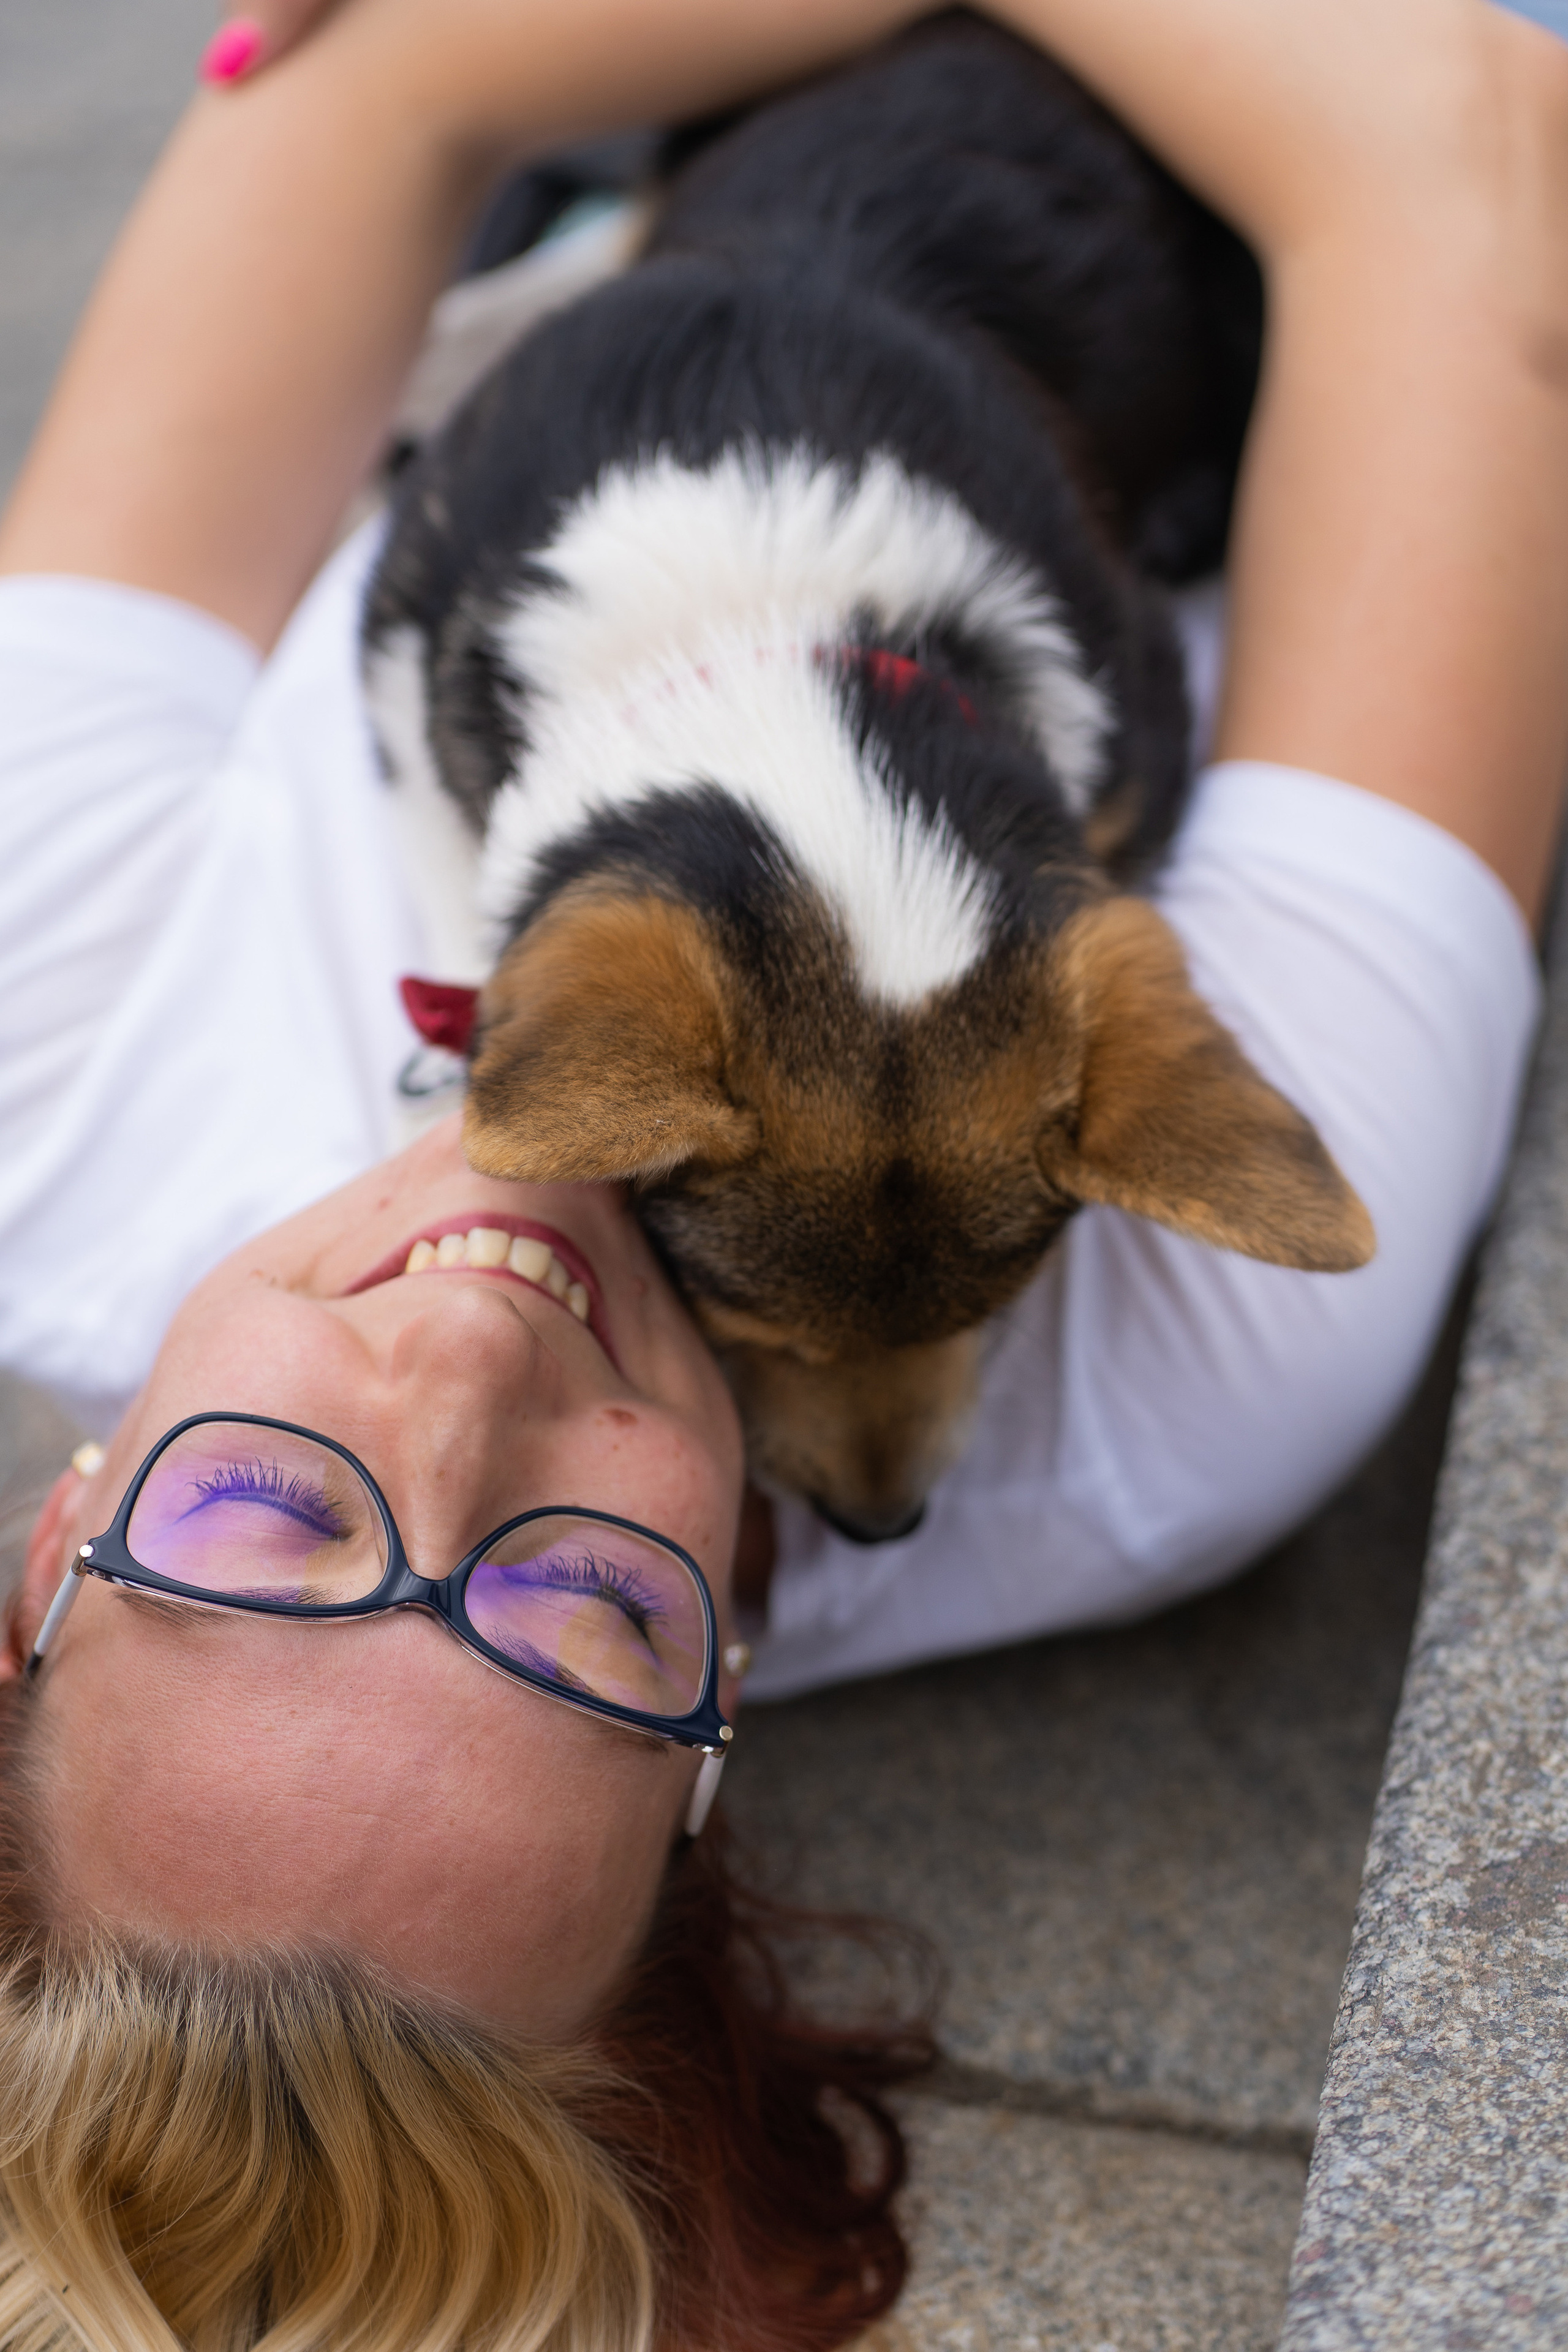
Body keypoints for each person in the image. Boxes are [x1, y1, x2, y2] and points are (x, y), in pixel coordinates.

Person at [0, 0, 1564, 2344]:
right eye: (572, 1620)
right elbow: (1463, 169)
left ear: (63, 1535)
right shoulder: (1185, 1380)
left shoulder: (50, 1089)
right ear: (721, 1689)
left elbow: (380, 102)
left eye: (261, 1520)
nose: (464, 1350)